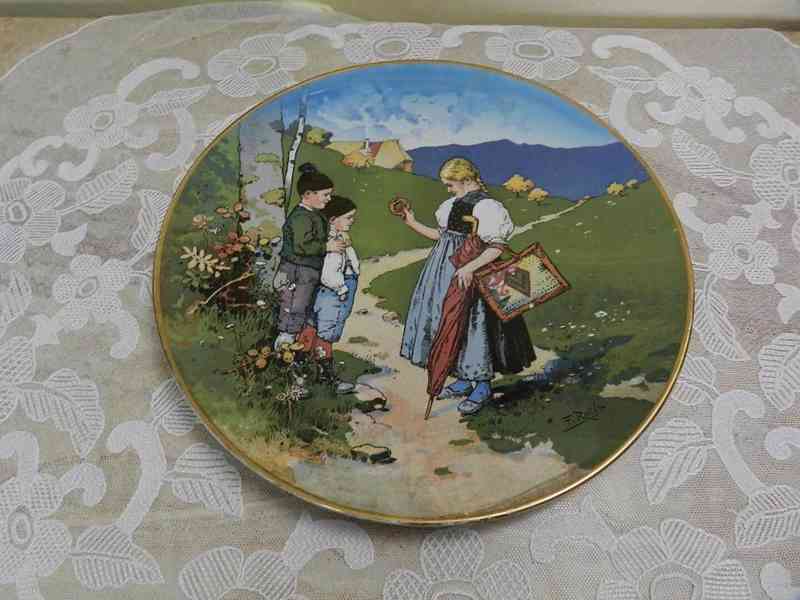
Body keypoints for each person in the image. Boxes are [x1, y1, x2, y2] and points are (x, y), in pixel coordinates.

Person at [399, 157, 535, 415]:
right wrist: (411, 221)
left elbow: (497, 247)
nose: (448, 189)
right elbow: (442, 236)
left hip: (473, 273)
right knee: (449, 322)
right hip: (443, 272)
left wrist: (470, 268)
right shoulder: (451, 204)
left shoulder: (487, 207)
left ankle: (482, 385)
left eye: (451, 184)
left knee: (475, 325)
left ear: (466, 180)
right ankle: (463, 379)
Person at [273, 163, 347, 349]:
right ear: (308, 195)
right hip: (297, 269)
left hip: (307, 270)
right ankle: (285, 341)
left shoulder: (314, 214)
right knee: (295, 303)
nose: (329, 199)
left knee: (303, 304)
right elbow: (301, 245)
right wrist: (327, 246)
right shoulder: (301, 217)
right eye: (325, 195)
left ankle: (297, 342)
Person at [297, 195, 359, 393]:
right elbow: (328, 272)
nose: (352, 221)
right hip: (332, 293)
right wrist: (341, 288)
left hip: (324, 293)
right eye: (348, 217)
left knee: (312, 327)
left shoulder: (334, 237)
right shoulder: (333, 244)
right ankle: (322, 375)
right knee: (326, 332)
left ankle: (301, 373)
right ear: (333, 220)